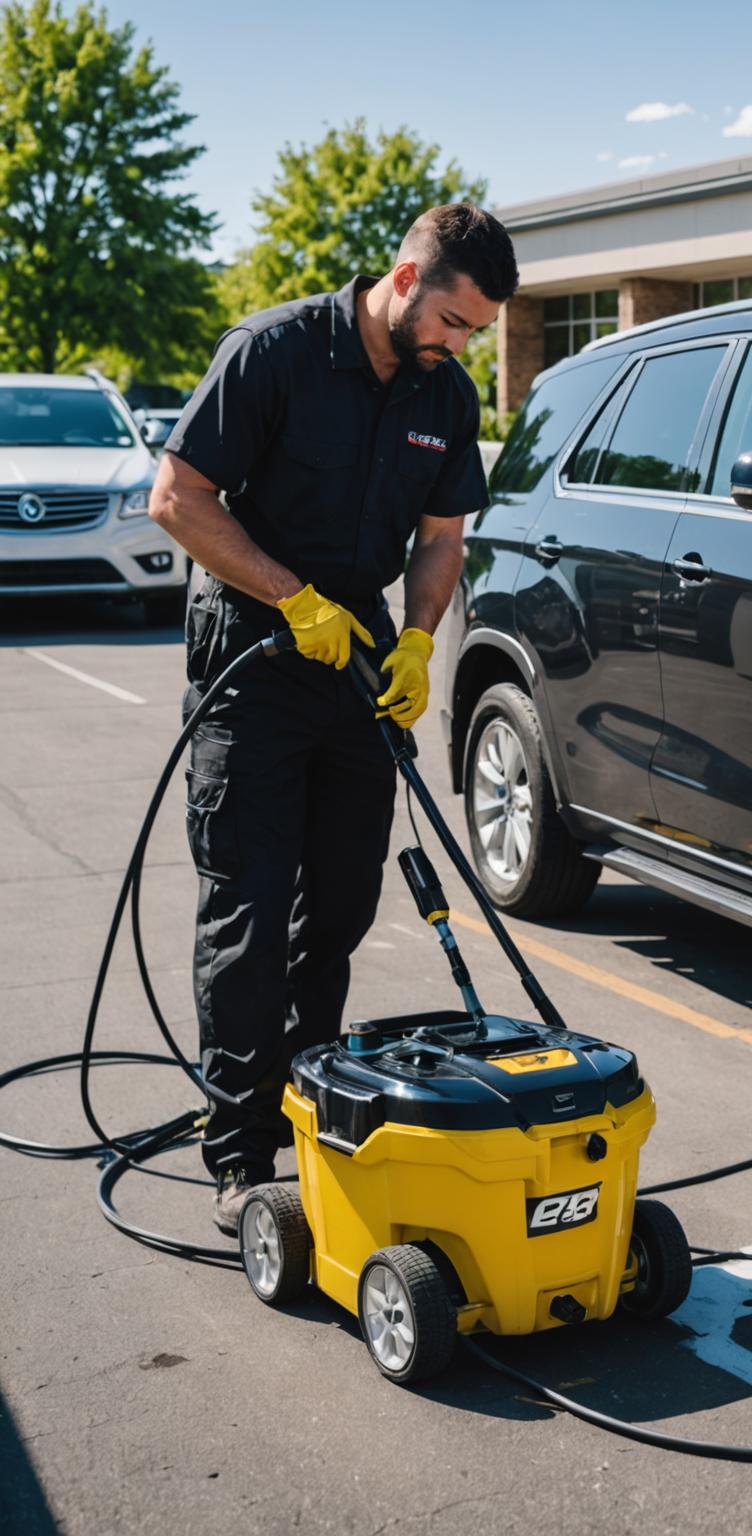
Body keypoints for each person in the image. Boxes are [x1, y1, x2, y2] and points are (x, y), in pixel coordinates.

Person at [148, 203, 517, 1234]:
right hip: (253, 667)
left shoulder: (442, 392)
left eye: (477, 333)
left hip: (355, 670)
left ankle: (309, 1109)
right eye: (450, 319)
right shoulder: (274, 351)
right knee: (250, 909)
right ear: (405, 278)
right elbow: (176, 498)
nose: (459, 345)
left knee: (341, 907)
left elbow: (443, 535)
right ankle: (239, 1151)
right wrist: (288, 596)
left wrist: (415, 638)